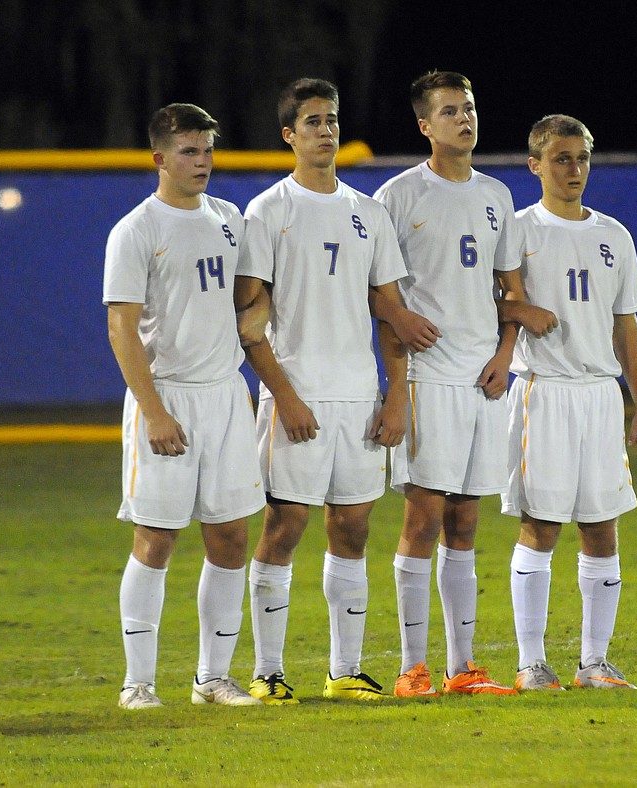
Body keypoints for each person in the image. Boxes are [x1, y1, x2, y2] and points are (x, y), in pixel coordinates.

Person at [373, 71, 557, 697]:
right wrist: (396, 385)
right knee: (423, 518)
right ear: (425, 126)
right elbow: (384, 298)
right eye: (449, 111)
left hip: (484, 379)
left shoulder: (496, 196)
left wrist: (507, 352)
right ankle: (410, 668)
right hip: (429, 377)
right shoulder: (397, 197)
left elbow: (512, 291)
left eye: (470, 108)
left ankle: (462, 668)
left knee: (467, 522)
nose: (464, 119)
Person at [235, 78, 417, 704]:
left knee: (354, 528)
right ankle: (267, 671)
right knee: (285, 525)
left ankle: (345, 670)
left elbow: (390, 314)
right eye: (312, 121)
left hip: (359, 396)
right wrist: (283, 395)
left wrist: (397, 396)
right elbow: (249, 320)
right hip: (297, 396)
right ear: (289, 135)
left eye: (332, 119)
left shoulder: (369, 214)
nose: (326, 130)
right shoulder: (268, 211)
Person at [103, 103, 266, 709]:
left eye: (207, 151)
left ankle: (212, 680)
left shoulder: (228, 219)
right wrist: (154, 412)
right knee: (156, 538)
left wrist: (258, 315)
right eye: (189, 152)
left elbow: (257, 295)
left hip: (225, 396)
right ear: (159, 158)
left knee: (229, 538)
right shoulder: (137, 229)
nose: (202, 162)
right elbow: (121, 329)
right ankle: (137, 684)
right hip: (165, 396)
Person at [501, 114, 637, 691]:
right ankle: (530, 664)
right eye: (561, 158)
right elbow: (484, 305)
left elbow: (626, 325)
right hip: (544, 392)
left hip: (598, 397)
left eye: (582, 158)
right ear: (535, 165)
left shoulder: (614, 235)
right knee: (541, 526)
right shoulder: (518, 231)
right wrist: (519, 313)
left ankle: (593, 663)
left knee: (601, 527)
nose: (574, 170)